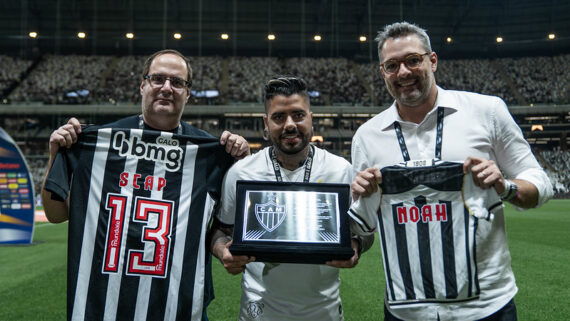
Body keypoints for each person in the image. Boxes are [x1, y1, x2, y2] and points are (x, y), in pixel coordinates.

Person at [349, 22, 553, 321]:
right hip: (407, 310)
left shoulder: (487, 111)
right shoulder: (367, 136)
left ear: (432, 60)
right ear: (382, 72)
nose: (403, 72)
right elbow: (361, 224)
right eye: (392, 65)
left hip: (487, 307)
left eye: (413, 60)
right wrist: (360, 195)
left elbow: (540, 183)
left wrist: (505, 186)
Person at [41, 49, 249, 321]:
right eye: (158, 79)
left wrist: (242, 162)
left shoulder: (209, 156)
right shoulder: (99, 143)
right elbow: (56, 214)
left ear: (188, 93)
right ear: (142, 85)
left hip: (176, 306)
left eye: (177, 82)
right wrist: (55, 155)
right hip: (104, 304)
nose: (166, 88)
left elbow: (226, 226)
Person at [209, 76, 373, 321]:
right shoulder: (242, 172)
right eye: (278, 117)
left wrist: (357, 246)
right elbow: (220, 229)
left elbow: (365, 233)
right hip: (259, 312)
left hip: (323, 312)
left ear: (311, 119)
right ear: (266, 124)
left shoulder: (341, 171)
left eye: (298, 115)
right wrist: (222, 251)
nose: (289, 125)